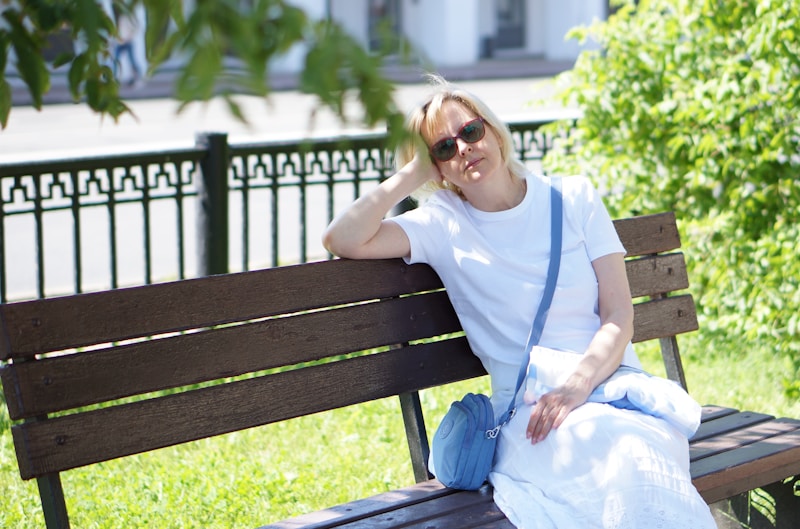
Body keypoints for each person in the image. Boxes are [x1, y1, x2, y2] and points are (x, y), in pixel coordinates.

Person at [322, 76, 717, 529]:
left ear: (492, 129)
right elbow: (341, 238)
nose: (464, 149)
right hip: (533, 418)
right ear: (437, 167)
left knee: (635, 459)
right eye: (444, 149)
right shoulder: (440, 224)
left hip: (615, 392)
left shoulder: (574, 198)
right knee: (624, 466)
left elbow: (618, 316)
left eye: (470, 132)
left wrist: (578, 385)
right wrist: (412, 173)